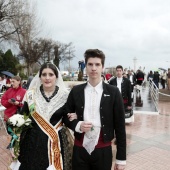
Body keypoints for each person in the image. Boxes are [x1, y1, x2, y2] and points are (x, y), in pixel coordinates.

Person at [66, 49, 126, 170]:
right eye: (90, 64)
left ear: (102, 67)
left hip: (103, 150)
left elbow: (120, 127)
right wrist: (78, 125)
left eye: (97, 64)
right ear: (86, 67)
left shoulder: (113, 92)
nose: (94, 68)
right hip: (80, 150)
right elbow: (65, 116)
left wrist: (121, 159)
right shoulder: (76, 91)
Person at [9, 62, 77, 170]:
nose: (47, 78)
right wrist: (14, 142)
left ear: (56, 76)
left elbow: (66, 119)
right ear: (40, 77)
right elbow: (22, 118)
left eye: (51, 74)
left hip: (56, 143)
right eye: (44, 74)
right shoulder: (30, 94)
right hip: (31, 143)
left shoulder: (65, 96)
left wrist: (74, 118)